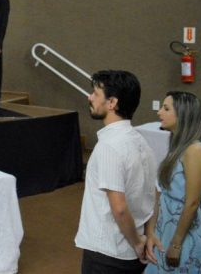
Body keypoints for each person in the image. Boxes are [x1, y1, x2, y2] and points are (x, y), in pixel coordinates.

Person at [75, 70, 156, 273]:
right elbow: (153, 195)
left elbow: (119, 208)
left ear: (112, 103)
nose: (90, 97)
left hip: (107, 255)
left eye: (95, 93)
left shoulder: (109, 147)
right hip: (130, 254)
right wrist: (148, 235)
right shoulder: (142, 142)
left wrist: (137, 243)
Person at [144, 91, 201, 272]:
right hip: (168, 224)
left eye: (166, 108)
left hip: (184, 231)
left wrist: (176, 244)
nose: (159, 112)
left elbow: (192, 202)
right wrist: (152, 231)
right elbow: (161, 192)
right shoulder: (177, 146)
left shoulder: (195, 150)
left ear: (182, 114)